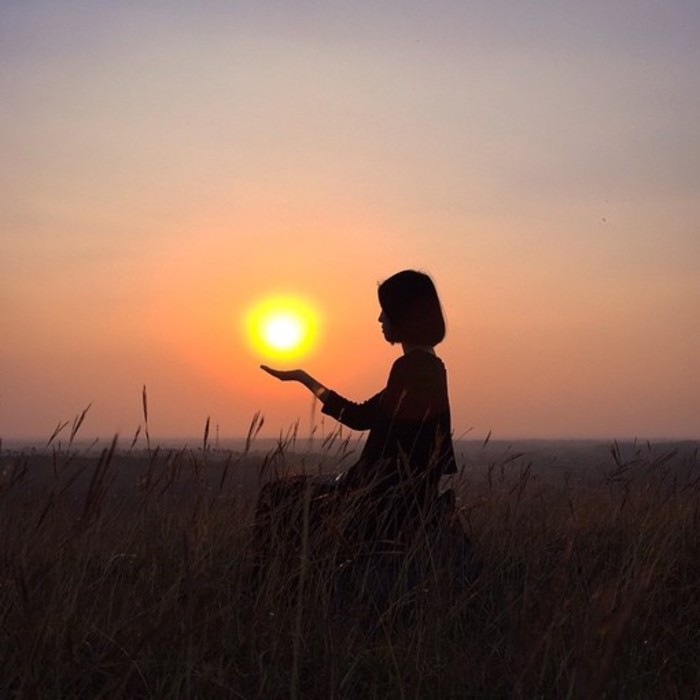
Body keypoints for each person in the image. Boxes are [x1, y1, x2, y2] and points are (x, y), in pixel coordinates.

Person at [256, 270, 460, 567]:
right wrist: (304, 379)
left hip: (380, 504)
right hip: (397, 500)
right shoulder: (428, 366)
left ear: (402, 314)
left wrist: (351, 491)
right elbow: (360, 416)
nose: (380, 319)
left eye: (385, 310)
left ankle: (267, 585)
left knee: (275, 497)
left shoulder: (409, 368)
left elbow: (370, 440)